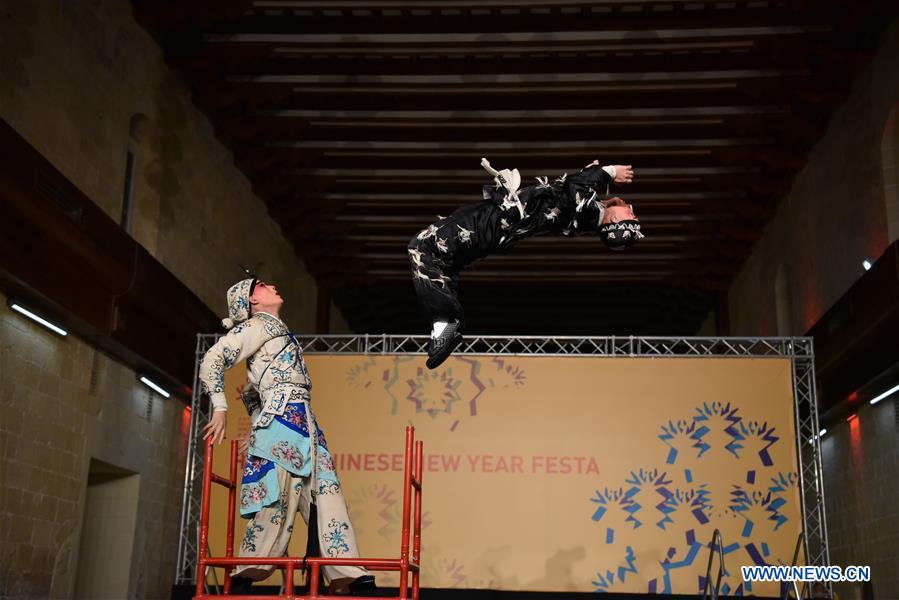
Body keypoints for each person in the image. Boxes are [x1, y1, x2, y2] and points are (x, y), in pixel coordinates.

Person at [199, 278, 378, 596]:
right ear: (252, 301)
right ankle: (244, 572)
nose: (272, 286)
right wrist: (220, 407)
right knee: (277, 504)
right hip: (282, 424)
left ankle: (347, 569)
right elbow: (213, 359)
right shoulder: (257, 327)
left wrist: (255, 421)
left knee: (327, 496)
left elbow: (253, 391)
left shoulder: (277, 330)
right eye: (263, 285)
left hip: (304, 424)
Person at [408, 158, 641, 368]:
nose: (631, 210)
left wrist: (609, 172)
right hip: (497, 228)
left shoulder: (588, 212)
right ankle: (442, 325)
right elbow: (572, 190)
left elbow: (575, 188)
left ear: (616, 219)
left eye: (631, 215)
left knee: (422, 246)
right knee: (444, 263)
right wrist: (590, 172)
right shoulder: (587, 211)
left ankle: (447, 320)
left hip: (494, 223)